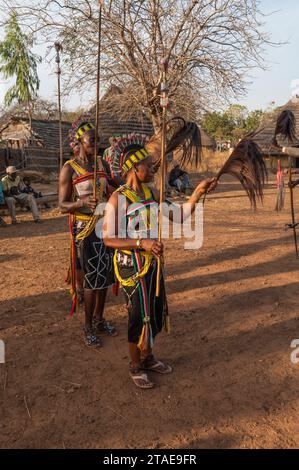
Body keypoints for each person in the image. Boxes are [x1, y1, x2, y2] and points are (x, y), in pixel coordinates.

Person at [103, 138, 217, 389]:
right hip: (130, 266)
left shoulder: (152, 194)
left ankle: (148, 356)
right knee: (137, 315)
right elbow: (109, 237)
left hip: (153, 264)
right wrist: (140, 243)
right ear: (135, 169)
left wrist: (198, 192)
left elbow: (179, 215)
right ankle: (135, 364)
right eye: (149, 165)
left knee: (153, 311)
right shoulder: (118, 199)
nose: (153, 169)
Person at [59, 115, 118, 347]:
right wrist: (82, 203)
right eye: (90, 140)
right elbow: (62, 205)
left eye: (97, 140)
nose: (95, 143)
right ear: (79, 142)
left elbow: (110, 188)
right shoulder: (69, 169)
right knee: (93, 280)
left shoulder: (101, 164)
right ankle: (88, 326)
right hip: (85, 229)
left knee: (106, 277)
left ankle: (100, 318)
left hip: (105, 226)